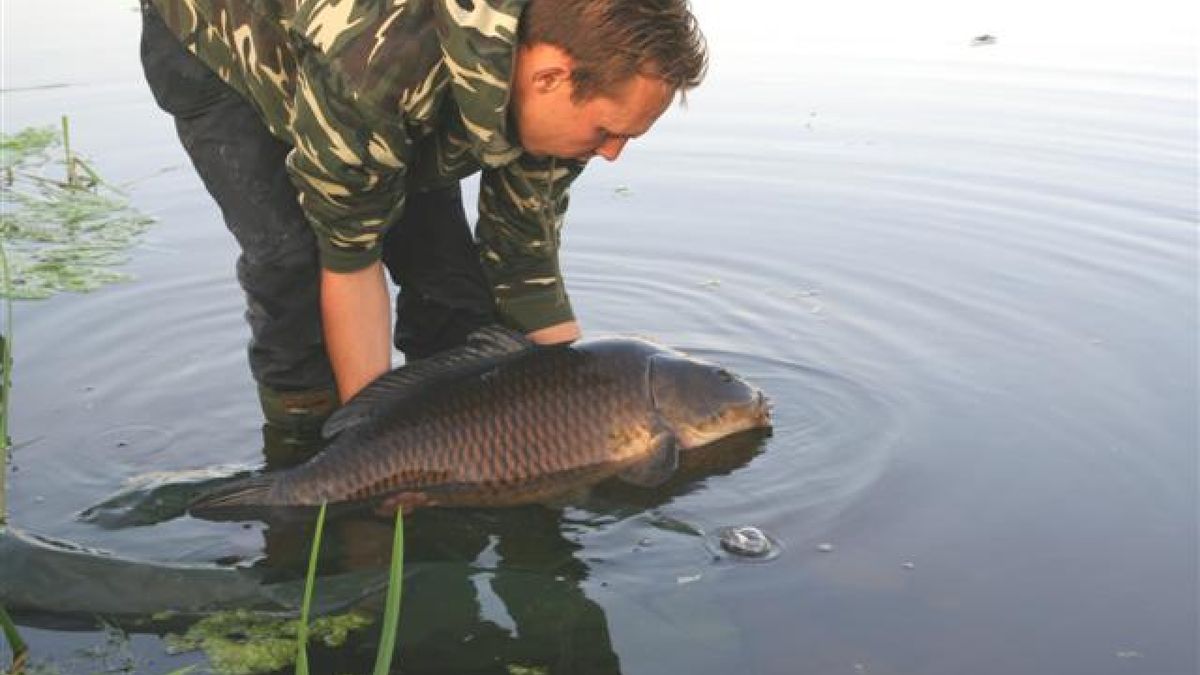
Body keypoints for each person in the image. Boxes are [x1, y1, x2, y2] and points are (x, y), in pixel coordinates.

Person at [139, 0, 707, 443]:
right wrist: (374, 452)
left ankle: (456, 442)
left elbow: (524, 263)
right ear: (550, 78)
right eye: (608, 132)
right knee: (293, 262)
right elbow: (351, 259)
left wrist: (579, 416)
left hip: (387, 93)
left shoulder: (565, 93)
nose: (611, 153)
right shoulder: (376, 71)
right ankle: (301, 455)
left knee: (452, 285)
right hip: (220, 47)